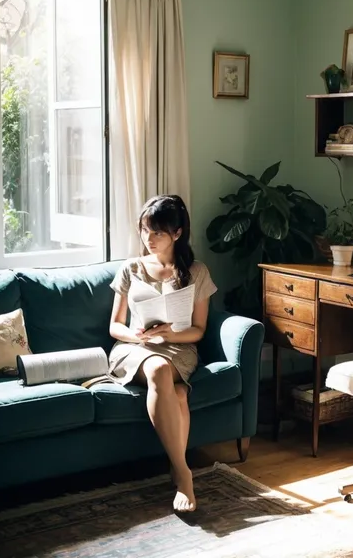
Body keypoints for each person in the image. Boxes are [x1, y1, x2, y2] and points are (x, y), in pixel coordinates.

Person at [108, 195, 217, 513]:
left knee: (180, 392)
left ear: (177, 233)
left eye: (157, 232)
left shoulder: (196, 272)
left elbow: (198, 330)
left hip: (179, 349)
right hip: (133, 348)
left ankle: (176, 465)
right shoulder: (131, 268)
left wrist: (171, 334)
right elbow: (115, 326)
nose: (149, 239)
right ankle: (183, 473)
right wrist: (138, 336)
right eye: (144, 230)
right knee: (158, 370)